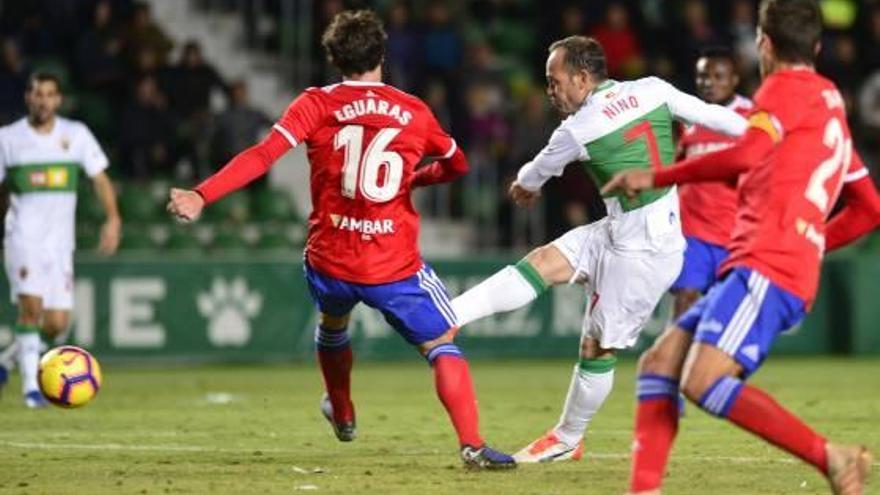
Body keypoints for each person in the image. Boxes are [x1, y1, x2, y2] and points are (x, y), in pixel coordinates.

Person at [166, 10, 515, 470]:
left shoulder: (316, 103)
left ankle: (343, 409)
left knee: (333, 323)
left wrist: (201, 194)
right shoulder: (414, 111)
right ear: (382, 56)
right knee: (441, 342)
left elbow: (262, 155)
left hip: (331, 258)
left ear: (333, 59)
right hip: (393, 263)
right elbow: (459, 165)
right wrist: (414, 180)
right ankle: (472, 446)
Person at [602, 1, 880, 493]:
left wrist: (656, 174)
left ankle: (831, 457)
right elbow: (868, 208)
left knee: (702, 381)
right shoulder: (828, 102)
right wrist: (814, 245)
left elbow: (749, 153)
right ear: (816, 46)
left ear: (764, 44)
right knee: (659, 366)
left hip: (766, 264)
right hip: (774, 263)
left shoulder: (780, 91)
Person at [449, 35, 748, 463]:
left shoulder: (577, 129)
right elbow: (718, 118)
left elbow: (533, 175)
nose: (549, 90)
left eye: (555, 81)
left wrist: (521, 187)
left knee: (597, 347)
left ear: (583, 78)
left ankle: (568, 438)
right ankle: (449, 317)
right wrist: (769, 133)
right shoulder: (653, 90)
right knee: (542, 262)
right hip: (620, 228)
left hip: (644, 253)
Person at [0, 72, 121, 408]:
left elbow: (100, 180)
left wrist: (112, 219)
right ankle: (31, 390)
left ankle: (8, 359)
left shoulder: (76, 135)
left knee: (56, 324)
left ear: (58, 100)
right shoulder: (7, 139)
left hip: (60, 243)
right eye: (38, 94)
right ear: (28, 98)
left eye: (50, 94)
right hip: (22, 238)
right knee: (31, 310)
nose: (43, 100)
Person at [669, 46, 753, 319]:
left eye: (718, 76)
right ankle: (673, 361)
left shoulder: (752, 117)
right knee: (685, 299)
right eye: (703, 76)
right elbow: (676, 169)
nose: (709, 83)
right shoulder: (687, 118)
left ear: (734, 79)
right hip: (693, 231)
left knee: (729, 313)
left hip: (736, 233)